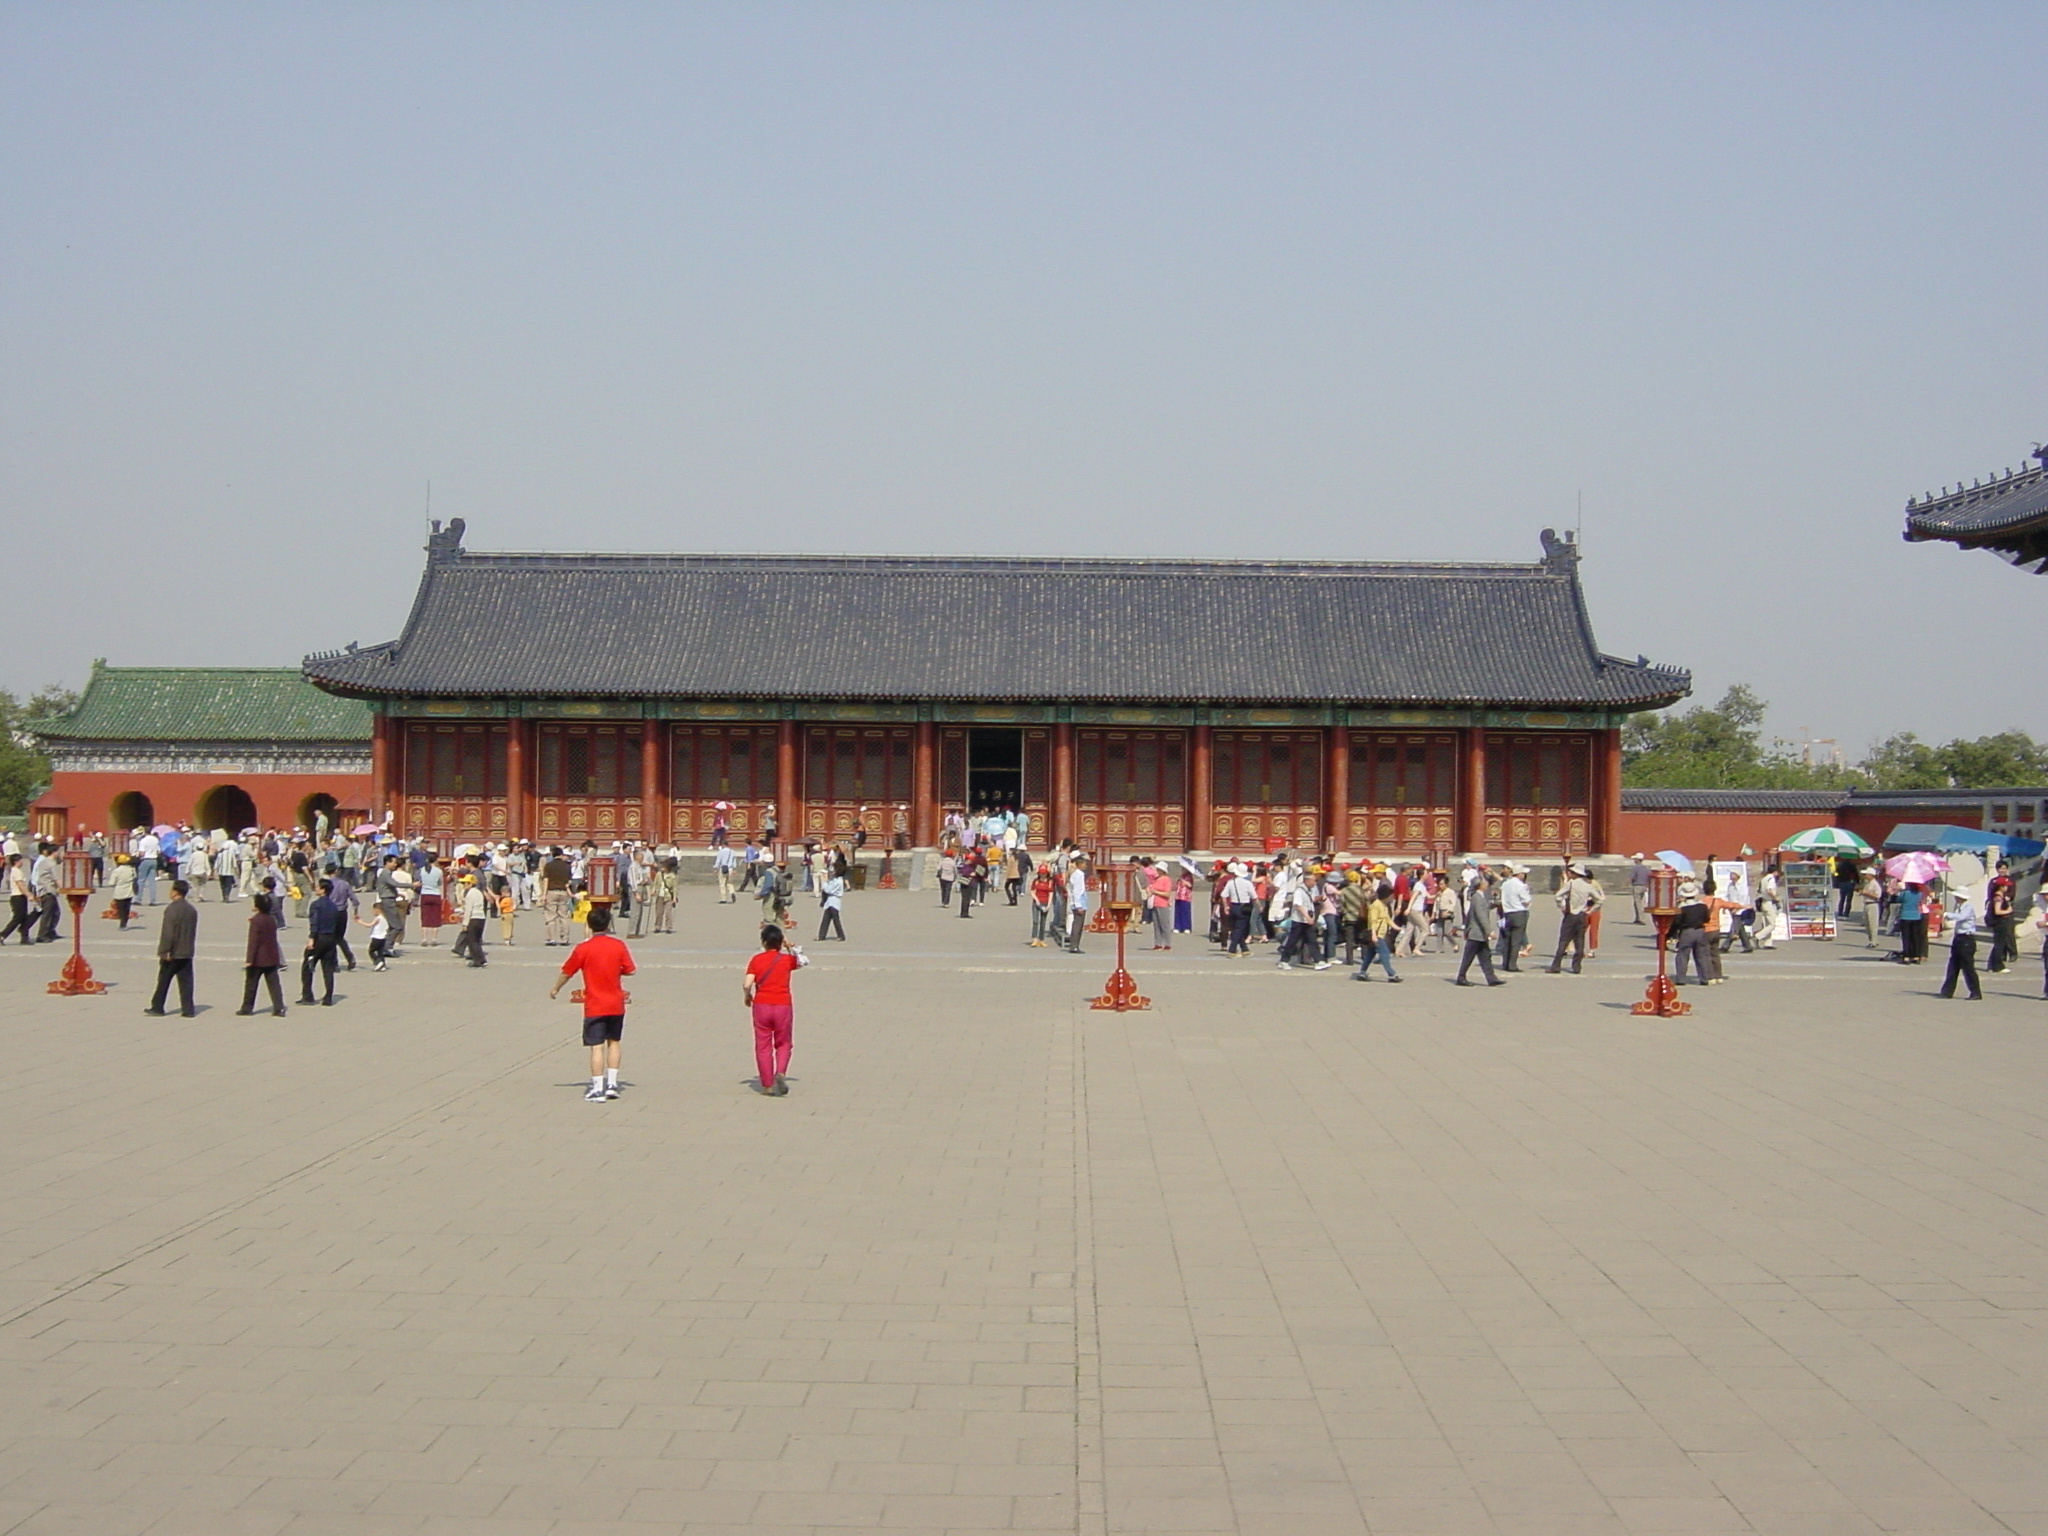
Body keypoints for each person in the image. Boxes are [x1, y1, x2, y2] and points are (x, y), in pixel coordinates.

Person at [551, 902, 637, 1101]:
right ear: (608, 925)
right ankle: (612, 1084)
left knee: (596, 1046)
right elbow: (630, 969)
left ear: (589, 925)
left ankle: (598, 1087)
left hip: (595, 1004)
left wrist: (556, 988)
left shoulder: (584, 949)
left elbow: (567, 971)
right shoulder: (618, 945)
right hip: (616, 1003)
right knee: (614, 1042)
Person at [743, 924, 808, 1096]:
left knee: (763, 1045)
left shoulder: (756, 960)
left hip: (762, 1005)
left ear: (763, 942)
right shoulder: (787, 960)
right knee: (784, 1042)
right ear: (780, 943)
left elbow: (747, 984)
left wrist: (747, 996)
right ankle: (780, 1072)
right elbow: (803, 961)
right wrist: (790, 946)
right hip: (783, 1005)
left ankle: (767, 1085)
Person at [144, 881, 199, 1017]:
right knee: (186, 982)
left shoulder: (172, 909)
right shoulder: (191, 909)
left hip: (173, 952)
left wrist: (164, 950)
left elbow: (168, 932)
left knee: (163, 980)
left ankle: (157, 1006)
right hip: (187, 951)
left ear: (175, 892)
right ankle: (188, 1009)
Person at [236, 893, 288, 1016]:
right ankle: (279, 1007)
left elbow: (253, 941)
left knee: (251, 984)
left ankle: (247, 1008)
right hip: (271, 956)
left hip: (258, 958)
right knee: (274, 984)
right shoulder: (271, 919)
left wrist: (249, 959)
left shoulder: (256, 921)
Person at [1453, 871, 1505, 986]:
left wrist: (1494, 904)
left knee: (1485, 957)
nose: (1487, 884)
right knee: (1469, 957)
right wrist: (1489, 931)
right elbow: (1481, 916)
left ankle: (1491, 978)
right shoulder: (1477, 897)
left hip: (1479, 934)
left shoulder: (1480, 896)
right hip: (1476, 933)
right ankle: (1461, 977)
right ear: (1480, 885)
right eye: (1485, 882)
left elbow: (1483, 908)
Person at [300, 877, 344, 1005]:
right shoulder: (334, 906)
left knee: (307, 966)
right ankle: (328, 996)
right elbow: (338, 925)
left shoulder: (316, 905)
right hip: (330, 939)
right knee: (328, 968)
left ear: (323, 890)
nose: (316, 888)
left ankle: (307, 995)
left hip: (319, 937)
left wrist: (311, 938)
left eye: (318, 887)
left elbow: (314, 923)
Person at [1351, 881, 1402, 982]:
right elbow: (1373, 921)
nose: (1392, 898)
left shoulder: (1383, 905)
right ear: (1386, 896)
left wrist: (1396, 927)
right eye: (1391, 896)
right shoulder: (1375, 906)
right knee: (1385, 954)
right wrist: (1374, 935)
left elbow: (1387, 919)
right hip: (1377, 934)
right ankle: (1391, 974)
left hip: (1380, 934)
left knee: (1370, 955)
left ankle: (1362, 972)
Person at [1938, 889, 1983, 1002]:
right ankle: (1947, 991)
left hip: (1967, 939)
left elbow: (1961, 917)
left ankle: (1975, 992)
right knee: (1953, 966)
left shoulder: (1968, 907)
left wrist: (1945, 914)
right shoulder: (1960, 906)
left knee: (1968, 967)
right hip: (1958, 938)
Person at [1670, 881, 1716, 985]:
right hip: (1700, 931)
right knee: (1702, 955)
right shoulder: (1702, 906)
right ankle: (1704, 978)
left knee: (1682, 955)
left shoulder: (1682, 907)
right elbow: (1707, 918)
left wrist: (1671, 934)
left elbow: (1677, 922)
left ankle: (1681, 978)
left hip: (1687, 932)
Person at [1495, 863, 1531, 972]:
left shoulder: (1505, 884)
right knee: (1516, 940)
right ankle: (1512, 965)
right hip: (1519, 912)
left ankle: (1505, 963)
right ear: (1519, 874)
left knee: (1507, 940)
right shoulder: (1521, 885)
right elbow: (1526, 900)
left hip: (1507, 913)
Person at [1985, 861, 2019, 974]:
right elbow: (1997, 909)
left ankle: (2008, 955)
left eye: (2004, 868)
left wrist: (2008, 899)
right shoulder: (1995, 887)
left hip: (2004, 916)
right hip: (2000, 917)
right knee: (1999, 942)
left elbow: (2012, 893)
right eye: (2000, 868)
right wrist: (2007, 909)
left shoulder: (2011, 881)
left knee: (2006, 936)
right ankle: (1997, 964)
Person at [451, 875, 489, 966]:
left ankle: (478, 960)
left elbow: (469, 910)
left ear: (470, 884)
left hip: (474, 918)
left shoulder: (470, 894)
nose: (463, 885)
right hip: (481, 918)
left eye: (465, 883)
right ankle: (480, 959)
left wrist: (465, 923)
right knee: (477, 940)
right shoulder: (479, 892)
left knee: (472, 941)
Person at [1893, 882, 1929, 964]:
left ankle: (1907, 956)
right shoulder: (1920, 894)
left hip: (1905, 916)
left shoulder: (1905, 893)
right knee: (1915, 937)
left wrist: (1899, 892)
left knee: (1906, 937)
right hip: (1916, 916)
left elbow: (1898, 900)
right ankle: (1916, 956)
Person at [818, 865, 847, 941]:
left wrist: (824, 881)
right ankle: (821, 935)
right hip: (829, 901)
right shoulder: (833, 880)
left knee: (836, 919)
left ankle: (841, 935)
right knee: (825, 919)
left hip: (834, 901)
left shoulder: (838, 881)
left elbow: (827, 890)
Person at [109, 855, 138, 929]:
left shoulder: (117, 871)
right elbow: (135, 878)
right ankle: (125, 923)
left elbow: (111, 883)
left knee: (121, 908)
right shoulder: (132, 869)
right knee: (127, 908)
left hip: (119, 891)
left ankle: (122, 924)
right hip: (129, 890)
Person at [1629, 854, 1651, 923]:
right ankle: (1637, 918)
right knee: (1638, 902)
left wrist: (1629, 883)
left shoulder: (1635, 868)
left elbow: (1632, 877)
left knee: (1637, 903)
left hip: (1637, 885)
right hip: (1644, 886)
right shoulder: (1646, 868)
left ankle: (1641, 918)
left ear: (1637, 860)